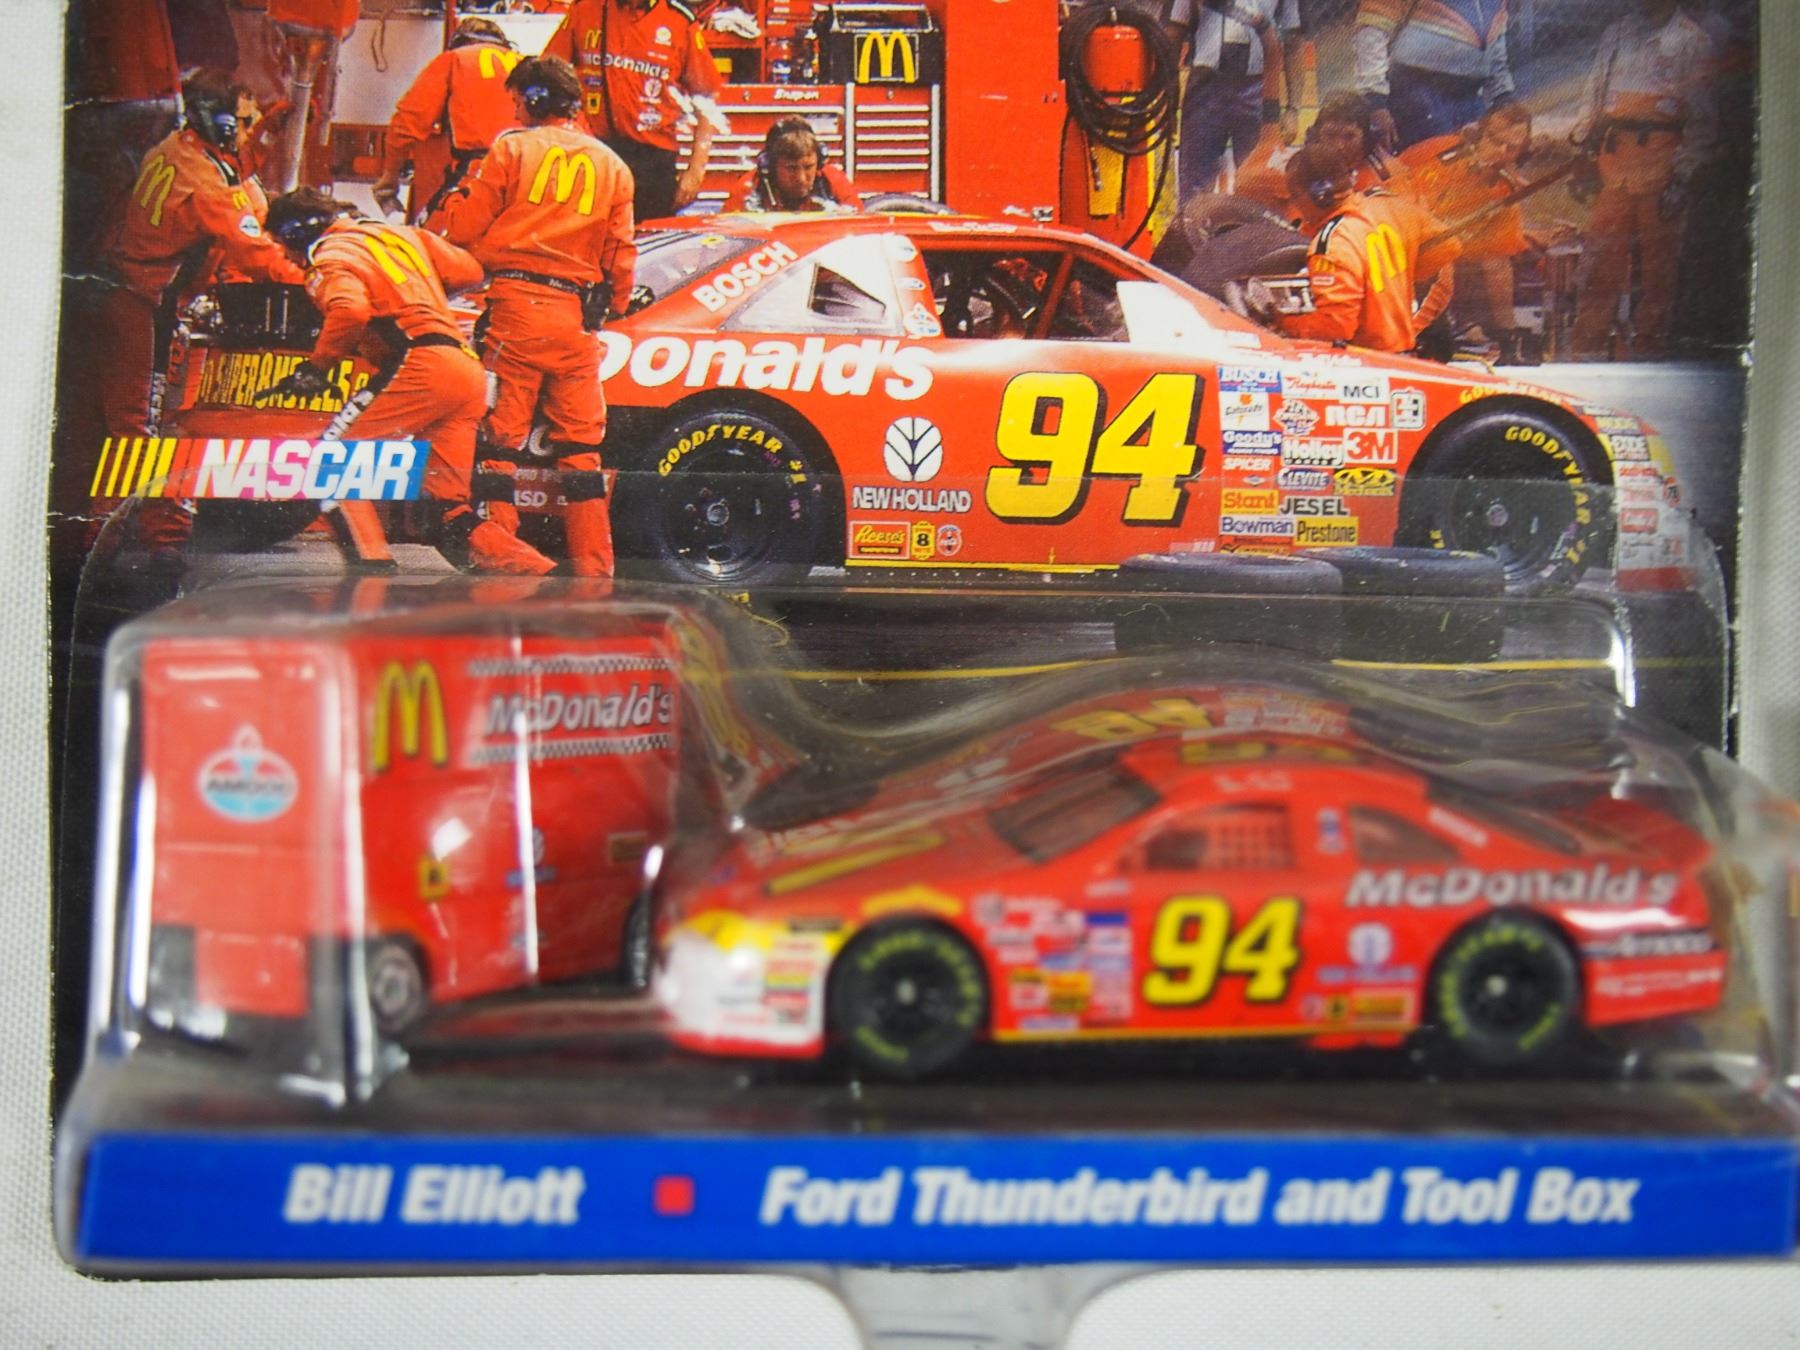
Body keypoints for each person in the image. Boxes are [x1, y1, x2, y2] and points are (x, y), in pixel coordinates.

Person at [258, 188, 555, 574]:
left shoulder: (330, 257)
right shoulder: (399, 234)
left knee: (331, 463)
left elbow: (350, 310)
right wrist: (416, 293)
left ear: (297, 234)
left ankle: (372, 571)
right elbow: (470, 271)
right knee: (446, 506)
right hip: (464, 367)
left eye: (282, 245)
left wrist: (318, 368)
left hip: (419, 363)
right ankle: (540, 573)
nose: (286, 256)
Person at [439, 56, 637, 578]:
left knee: (498, 444)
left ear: (533, 99)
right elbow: (621, 256)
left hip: (515, 313)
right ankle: (596, 573)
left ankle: (506, 562)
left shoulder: (511, 148)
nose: (514, 111)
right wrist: (613, 308)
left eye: (517, 100)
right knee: (582, 452)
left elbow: (463, 230)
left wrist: (454, 202)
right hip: (576, 322)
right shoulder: (613, 165)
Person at [93, 73, 305, 558]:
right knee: (143, 431)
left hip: (128, 294)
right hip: (145, 305)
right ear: (222, 123)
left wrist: (267, 132)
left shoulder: (176, 147)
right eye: (240, 122)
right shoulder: (207, 185)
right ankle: (134, 546)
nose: (242, 132)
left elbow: (233, 168)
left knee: (135, 428)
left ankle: (128, 538)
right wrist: (311, 276)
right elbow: (253, 252)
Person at [1568, 0, 1716, 359]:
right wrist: (1582, 146)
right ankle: (1587, 343)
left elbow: (1703, 116)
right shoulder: (1617, 33)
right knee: (1600, 255)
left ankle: (1650, 343)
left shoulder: (1691, 40)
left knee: (1658, 264)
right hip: (1614, 161)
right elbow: (1593, 95)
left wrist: (1683, 172)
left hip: (1661, 161)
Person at [542, 0, 727, 221]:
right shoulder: (586, 10)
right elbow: (547, 74)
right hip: (596, 156)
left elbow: (706, 98)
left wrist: (695, 172)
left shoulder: (679, 21)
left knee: (650, 241)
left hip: (653, 164)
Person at [1275, 144, 1460, 353]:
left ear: (1320, 195)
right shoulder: (1390, 206)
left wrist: (1283, 323)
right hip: (1402, 353)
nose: (1294, 203)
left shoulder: (1333, 244)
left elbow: (1335, 327)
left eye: (1296, 195)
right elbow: (1449, 245)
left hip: (1364, 360)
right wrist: (1400, 278)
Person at [1400, 101, 1535, 356]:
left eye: (1512, 148)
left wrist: (1507, 333)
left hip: (1437, 278)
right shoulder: (1435, 153)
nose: (1501, 152)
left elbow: (1497, 264)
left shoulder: (1505, 193)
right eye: (1494, 141)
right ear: (1478, 134)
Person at [369, 18, 522, 226]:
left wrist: (390, 175)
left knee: (428, 238)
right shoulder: (527, 65)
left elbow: (406, 124)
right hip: (528, 179)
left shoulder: (454, 59)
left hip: (478, 174)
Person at [1163, 0, 1305, 198]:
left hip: (1257, 88)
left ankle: (1253, 218)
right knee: (1195, 186)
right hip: (1206, 87)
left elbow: (1293, 42)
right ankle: (1193, 217)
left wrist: (1293, 109)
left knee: (1258, 180)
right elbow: (1173, 36)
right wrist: (1167, 103)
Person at [1353, 0, 1515, 152]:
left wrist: (1502, 97)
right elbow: (1372, 30)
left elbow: (1495, 44)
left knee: (1473, 163)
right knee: (1429, 163)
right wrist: (1375, 98)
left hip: (1472, 98)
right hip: (1417, 95)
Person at [1235, 91, 1415, 222]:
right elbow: (1244, 189)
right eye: (1330, 135)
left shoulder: (1389, 175)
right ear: (1317, 135)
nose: (1339, 146)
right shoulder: (1294, 167)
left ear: (1365, 139)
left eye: (1349, 136)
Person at [722, 117, 860, 213]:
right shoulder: (748, 190)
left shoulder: (832, 182)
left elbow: (859, 228)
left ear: (819, 163)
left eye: (808, 167)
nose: (801, 178)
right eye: (791, 168)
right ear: (771, 167)